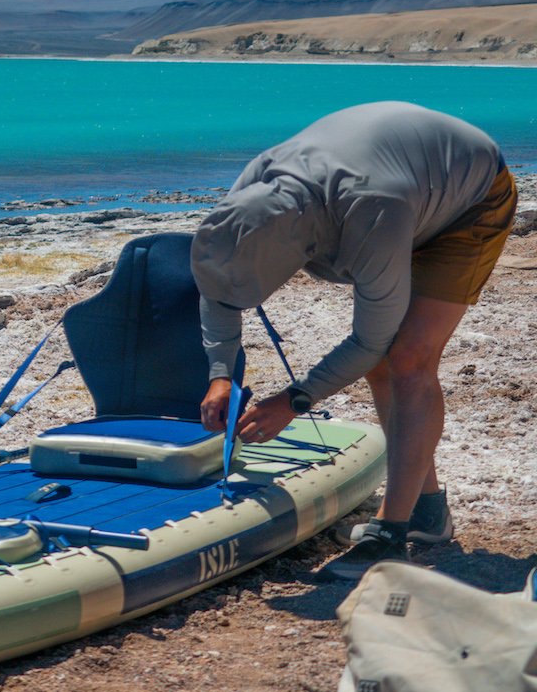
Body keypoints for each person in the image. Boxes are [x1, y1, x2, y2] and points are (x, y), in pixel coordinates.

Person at [190, 101, 517, 581]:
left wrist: (294, 401)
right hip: (406, 182)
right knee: (382, 364)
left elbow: (369, 339)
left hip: (468, 200)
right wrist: (220, 375)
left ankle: (391, 534)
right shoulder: (253, 189)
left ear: (304, 253)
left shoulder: (372, 212)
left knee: (407, 358)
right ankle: (428, 513)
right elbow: (216, 289)